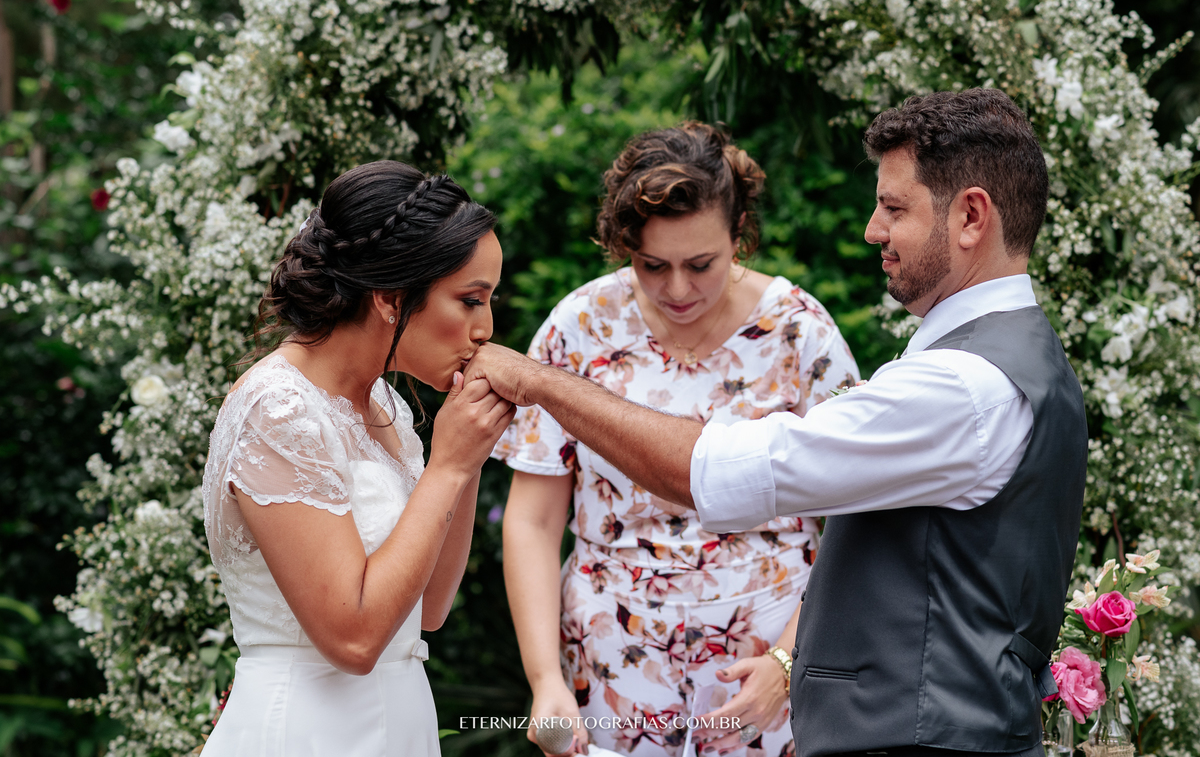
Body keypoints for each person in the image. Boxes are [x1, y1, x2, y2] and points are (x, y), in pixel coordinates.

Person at [466, 89, 1088, 757]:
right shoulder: (997, 360)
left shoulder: (961, 386)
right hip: (627, 676)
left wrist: (538, 382)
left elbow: (709, 473)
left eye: (894, 206)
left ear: (971, 216)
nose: (873, 228)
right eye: (653, 265)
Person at [493, 122, 859, 757]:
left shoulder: (803, 335)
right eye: (652, 265)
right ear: (622, 246)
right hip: (612, 661)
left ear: (738, 232)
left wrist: (788, 659)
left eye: (701, 264)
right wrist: (544, 679)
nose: (678, 289)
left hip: (766, 663)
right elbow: (532, 520)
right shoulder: (577, 330)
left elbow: (857, 519)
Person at [200, 161, 515, 756]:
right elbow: (352, 640)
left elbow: (428, 609)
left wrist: (467, 458)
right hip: (308, 731)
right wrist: (446, 466)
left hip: (400, 723)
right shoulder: (278, 411)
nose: (486, 329)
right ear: (391, 299)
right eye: (471, 300)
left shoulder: (387, 408)